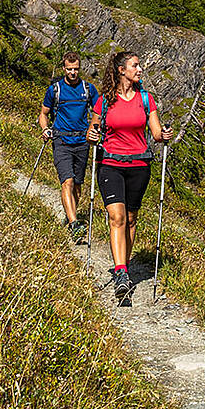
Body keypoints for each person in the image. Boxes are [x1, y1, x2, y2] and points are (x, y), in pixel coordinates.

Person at [87, 49, 172, 303]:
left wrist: (164, 135)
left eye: (139, 66)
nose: (140, 70)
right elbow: (94, 130)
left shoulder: (146, 100)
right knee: (117, 217)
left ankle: (123, 262)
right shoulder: (104, 101)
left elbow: (156, 134)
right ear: (121, 70)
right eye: (135, 66)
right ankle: (121, 272)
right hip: (110, 163)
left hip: (139, 165)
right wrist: (91, 136)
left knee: (131, 218)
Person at [39, 52, 94, 242]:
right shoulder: (55, 90)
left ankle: (71, 217)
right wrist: (46, 129)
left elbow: (98, 112)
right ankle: (74, 224)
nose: (73, 72)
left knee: (77, 185)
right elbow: (43, 114)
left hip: (82, 142)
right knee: (67, 182)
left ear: (80, 68)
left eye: (76, 69)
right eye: (69, 69)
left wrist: (96, 130)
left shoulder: (88, 89)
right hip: (61, 141)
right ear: (64, 68)